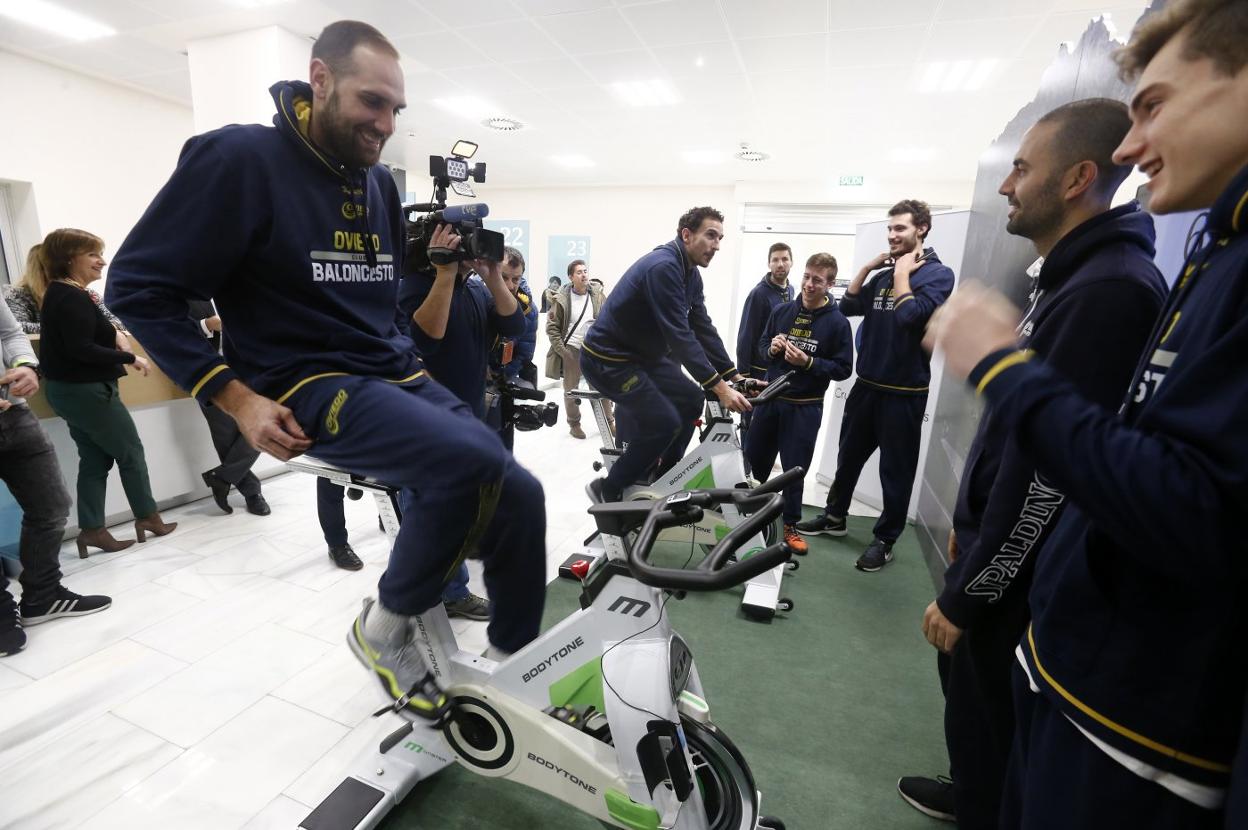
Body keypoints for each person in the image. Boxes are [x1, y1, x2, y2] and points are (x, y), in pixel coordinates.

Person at [104, 20, 546, 722]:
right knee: (465, 463)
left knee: (520, 492)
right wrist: (234, 398)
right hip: (305, 382)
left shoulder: (376, 184)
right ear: (320, 79)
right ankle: (384, 630)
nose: (386, 124)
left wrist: (412, 363)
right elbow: (135, 289)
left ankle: (521, 669)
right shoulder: (239, 159)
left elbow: (379, 303)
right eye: (372, 101)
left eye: (396, 109)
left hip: (392, 371)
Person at [925, 1, 1248, 824]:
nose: (1132, 149)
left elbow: (1068, 477)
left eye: (1155, 106)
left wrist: (975, 589)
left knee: (990, 751)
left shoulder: (1111, 290)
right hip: (1073, 650)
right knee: (986, 754)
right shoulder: (1194, 257)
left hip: (1131, 707)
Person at [897, 99, 1167, 828]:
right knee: (975, 711)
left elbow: (1050, 473)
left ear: (1077, 178)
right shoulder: (1073, 277)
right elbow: (1019, 432)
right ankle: (974, 793)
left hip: (1023, 577)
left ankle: (981, 806)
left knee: (991, 716)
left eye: (1021, 168)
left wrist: (974, 592)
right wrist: (972, 531)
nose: (1006, 185)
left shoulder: (1110, 288)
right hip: (999, 551)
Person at [795, 200, 954, 572]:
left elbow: (911, 315)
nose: (892, 235)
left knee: (895, 472)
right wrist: (868, 268)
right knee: (847, 458)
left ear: (922, 229)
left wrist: (902, 274)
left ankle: (885, 539)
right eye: (890, 229)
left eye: (900, 228)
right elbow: (849, 306)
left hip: (904, 394)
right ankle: (834, 517)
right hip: (866, 387)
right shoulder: (884, 275)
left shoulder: (938, 275)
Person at [395, 229, 527, 621]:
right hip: (426, 422)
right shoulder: (413, 287)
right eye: (462, 240)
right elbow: (425, 340)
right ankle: (429, 595)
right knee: (429, 512)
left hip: (465, 418)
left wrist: (492, 276)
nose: (471, 248)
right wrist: (445, 273)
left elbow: (514, 327)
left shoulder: (475, 289)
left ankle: (438, 589)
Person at [580, 206, 750, 503]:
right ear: (687, 235)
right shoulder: (663, 267)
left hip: (641, 357)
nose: (717, 245)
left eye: (720, 238)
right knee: (664, 422)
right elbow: (680, 336)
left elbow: (702, 326)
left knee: (692, 399)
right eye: (711, 236)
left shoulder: (691, 274)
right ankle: (607, 488)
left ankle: (665, 479)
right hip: (607, 360)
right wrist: (721, 389)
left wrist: (733, 375)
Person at [31, 229, 176, 556]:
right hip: (88, 392)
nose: (102, 261)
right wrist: (130, 358)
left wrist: (114, 332)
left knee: (95, 460)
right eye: (93, 254)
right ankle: (148, 517)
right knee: (131, 453)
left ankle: (93, 530)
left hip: (71, 392)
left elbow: (83, 336)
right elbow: (82, 348)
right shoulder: (71, 296)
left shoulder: (63, 293)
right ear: (70, 259)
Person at [0, 298, 110, 657]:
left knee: (51, 507)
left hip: (14, 414)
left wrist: (26, 366)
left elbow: (9, 333)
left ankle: (42, 596)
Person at [743, 253, 852, 556]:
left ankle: (789, 525)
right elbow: (761, 347)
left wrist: (809, 362)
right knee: (752, 464)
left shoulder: (838, 323)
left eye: (817, 280)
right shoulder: (782, 311)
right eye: (806, 276)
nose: (809, 284)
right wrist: (771, 349)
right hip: (770, 401)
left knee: (794, 471)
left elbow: (844, 369)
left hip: (805, 407)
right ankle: (745, 516)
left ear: (830, 284)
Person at [189, 299, 270, 517]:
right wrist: (206, 324)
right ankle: (252, 493)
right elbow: (170, 331)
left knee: (265, 424)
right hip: (209, 373)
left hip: (252, 368)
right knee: (225, 437)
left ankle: (222, 477)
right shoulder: (185, 292)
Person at [545, 258, 612, 439]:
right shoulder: (561, 299)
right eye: (579, 272)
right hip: (572, 349)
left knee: (601, 387)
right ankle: (574, 424)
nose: (583, 275)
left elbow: (608, 319)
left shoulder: (597, 295)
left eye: (585, 271)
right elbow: (552, 328)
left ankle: (609, 422)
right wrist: (563, 352)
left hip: (594, 350)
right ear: (571, 277)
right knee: (571, 390)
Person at [3, 247, 125, 337]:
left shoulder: (86, 293)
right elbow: (17, 327)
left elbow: (118, 321)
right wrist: (75, 329)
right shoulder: (18, 295)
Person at [736, 242, 795, 381]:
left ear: (791, 262)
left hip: (780, 369)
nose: (780, 264)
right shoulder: (758, 294)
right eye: (775, 260)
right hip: (759, 371)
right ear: (769, 264)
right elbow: (746, 336)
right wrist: (743, 376)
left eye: (785, 259)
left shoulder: (790, 290)